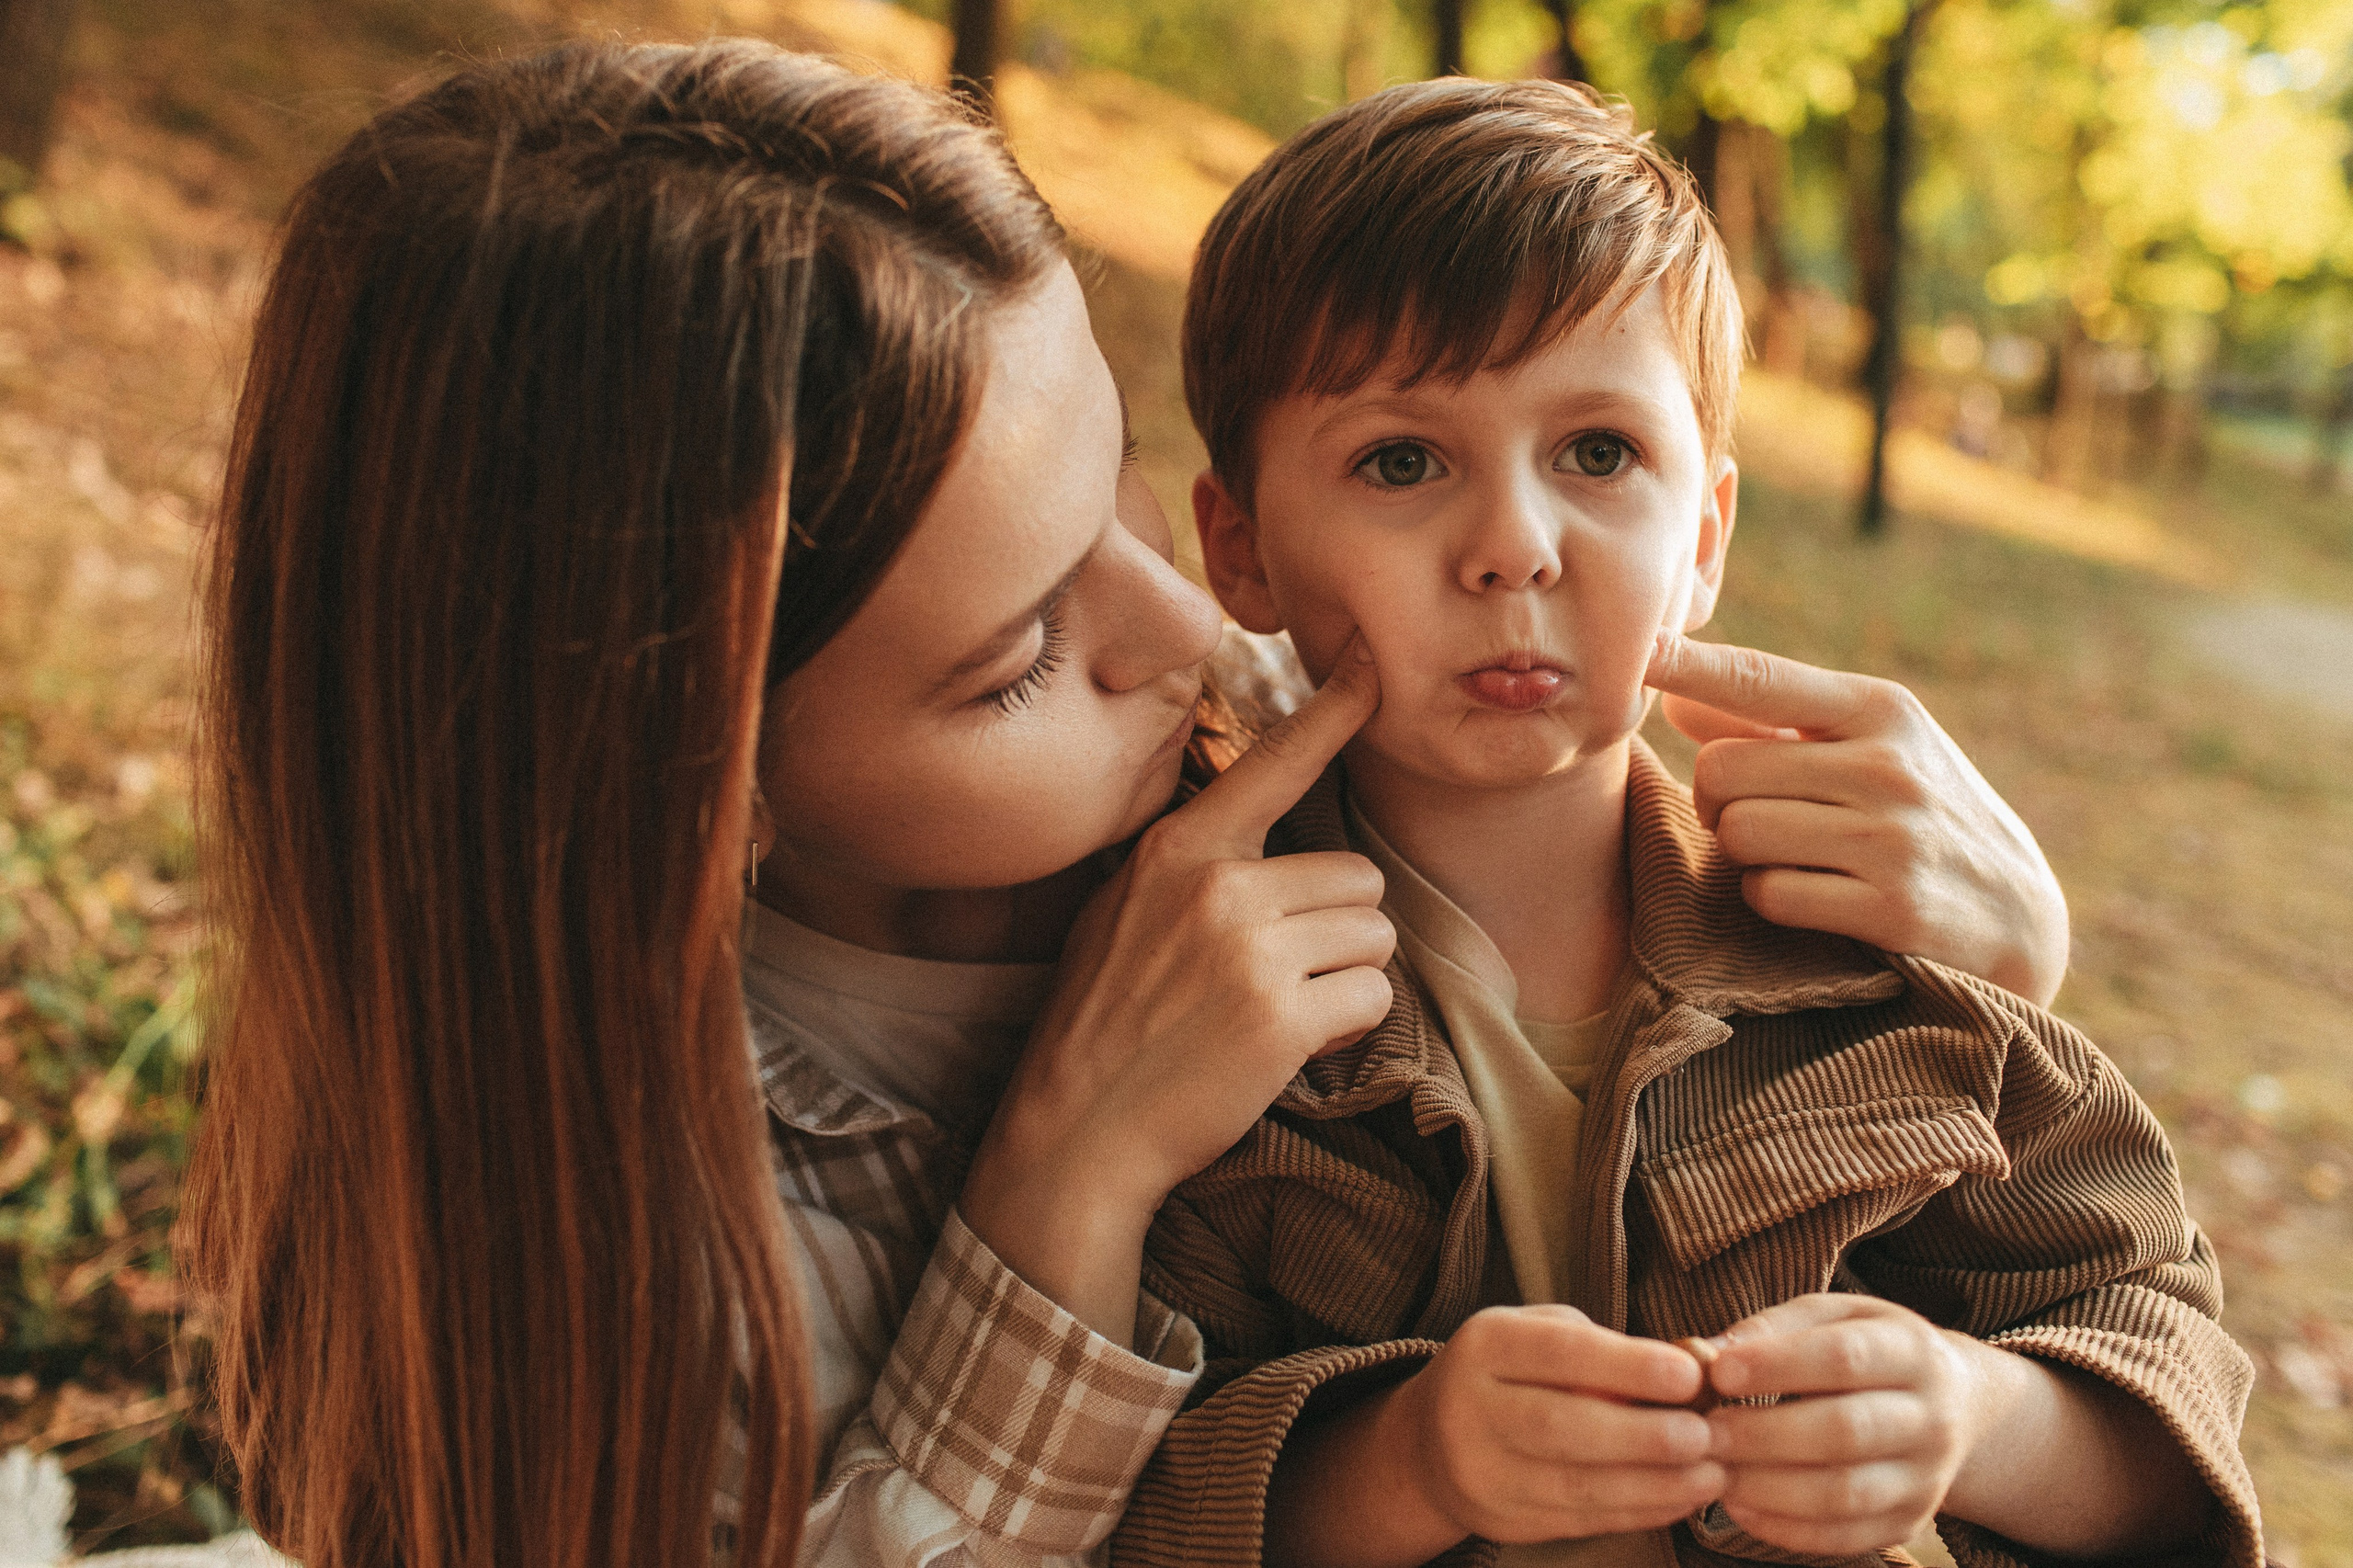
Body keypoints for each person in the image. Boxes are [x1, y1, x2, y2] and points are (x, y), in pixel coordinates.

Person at [178, 38, 2078, 1568]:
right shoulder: (625, 1259)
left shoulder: (1245, 744)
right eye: (1014, 651)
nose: (1187, 625)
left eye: (1113, 498)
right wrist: (1061, 1180)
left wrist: (1981, 976)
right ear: (687, 792)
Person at [1122, 77, 2259, 1568]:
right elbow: (1116, 1492)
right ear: (1240, 548)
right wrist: (1408, 1458)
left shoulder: (1868, 957)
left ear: (1705, 536)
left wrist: (1974, 1416)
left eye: (1599, 453)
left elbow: (2169, 1385)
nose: (1514, 546)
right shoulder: (1202, 1005)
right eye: (1402, 460)